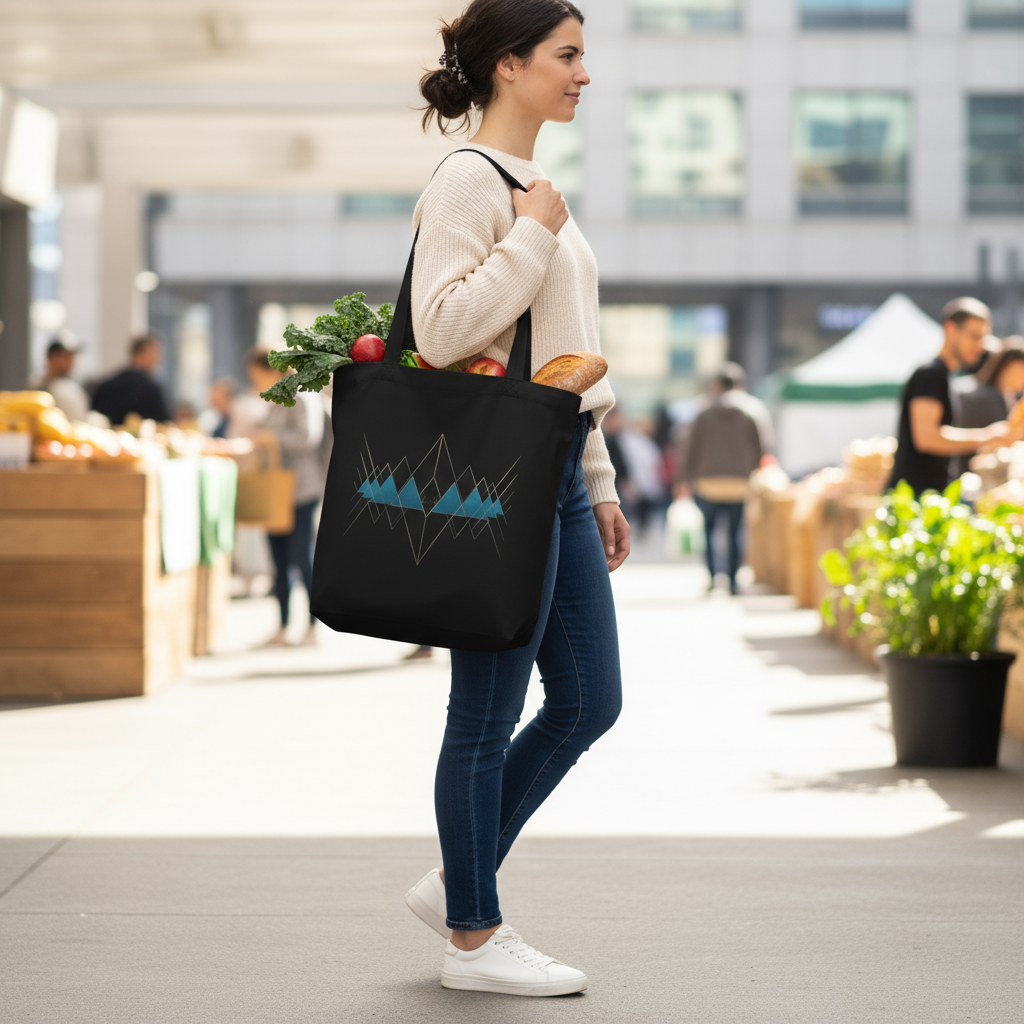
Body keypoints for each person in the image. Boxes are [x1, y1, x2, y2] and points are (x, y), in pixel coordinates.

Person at [401, 0, 627, 997]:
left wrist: (598, 478)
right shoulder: (468, 181)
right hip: (498, 481)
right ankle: (472, 937)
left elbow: (566, 351)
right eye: (566, 55)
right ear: (508, 64)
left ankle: (461, 877)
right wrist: (531, 235)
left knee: (587, 700)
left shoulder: (533, 185)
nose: (583, 73)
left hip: (558, 471)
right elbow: (444, 330)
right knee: (485, 713)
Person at [888, 298, 1013, 495]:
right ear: (950, 329)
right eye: (974, 336)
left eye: (983, 338)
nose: (980, 346)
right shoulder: (931, 374)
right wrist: (985, 435)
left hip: (929, 496)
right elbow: (926, 437)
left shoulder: (946, 376)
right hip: (912, 498)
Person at [246, 350, 325, 647]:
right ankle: (282, 626)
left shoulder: (302, 395)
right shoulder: (274, 398)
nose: (254, 381)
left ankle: (313, 626)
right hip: (276, 490)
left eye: (256, 375)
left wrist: (272, 438)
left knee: (302, 558)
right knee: (279, 560)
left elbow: (307, 437)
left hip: (301, 489)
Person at [680, 365, 763, 595]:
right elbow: (758, 448)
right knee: (735, 533)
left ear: (716, 385)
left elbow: (690, 448)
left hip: (708, 482)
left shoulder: (703, 412)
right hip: (738, 483)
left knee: (709, 532)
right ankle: (734, 581)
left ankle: (712, 577)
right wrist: (752, 472)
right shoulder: (748, 412)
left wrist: (684, 478)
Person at [951, 339, 1024, 477]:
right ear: (1008, 367)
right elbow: (995, 443)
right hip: (970, 474)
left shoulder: (1002, 396)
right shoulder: (988, 398)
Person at [91, 334, 172, 425]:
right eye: (156, 354)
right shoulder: (152, 389)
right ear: (145, 353)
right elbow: (164, 424)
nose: (159, 360)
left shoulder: (105, 385)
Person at [34, 333, 89, 422]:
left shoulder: (72, 385)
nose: (71, 361)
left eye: (72, 356)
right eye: (66, 356)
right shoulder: (40, 386)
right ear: (52, 357)